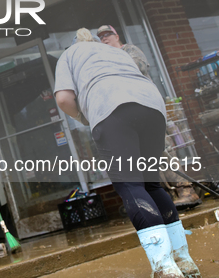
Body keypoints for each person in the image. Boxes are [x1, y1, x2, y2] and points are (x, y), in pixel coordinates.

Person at [54, 28, 200, 278]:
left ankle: (165, 267)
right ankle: (184, 261)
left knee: (131, 186)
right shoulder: (115, 51)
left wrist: (85, 116)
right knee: (152, 185)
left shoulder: (69, 55)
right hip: (152, 108)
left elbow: (64, 99)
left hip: (111, 106)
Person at [97, 25, 201, 210]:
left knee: (164, 151)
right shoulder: (108, 60)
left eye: (107, 34)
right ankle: (167, 196)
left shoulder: (130, 51)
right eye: (100, 37)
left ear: (116, 35)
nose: (104, 38)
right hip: (132, 114)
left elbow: (137, 67)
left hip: (150, 109)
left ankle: (186, 190)